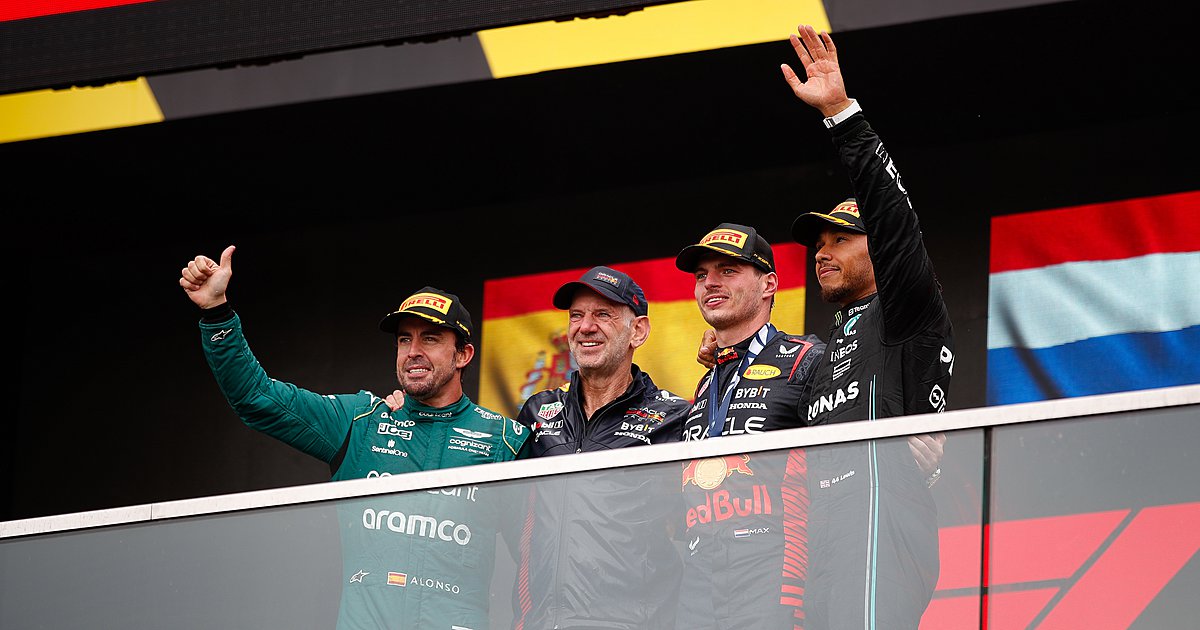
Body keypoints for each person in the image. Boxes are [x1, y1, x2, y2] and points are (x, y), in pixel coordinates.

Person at [179, 245, 531, 630]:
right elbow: (256, 397)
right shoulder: (361, 421)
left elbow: (537, 561)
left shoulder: (504, 441)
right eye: (404, 340)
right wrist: (217, 313)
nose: (412, 352)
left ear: (463, 355)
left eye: (430, 339)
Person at [389, 265, 689, 628]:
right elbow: (486, 491)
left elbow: (701, 529)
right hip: (542, 622)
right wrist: (409, 412)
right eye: (576, 315)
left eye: (602, 315)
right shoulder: (537, 411)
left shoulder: (673, 418)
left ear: (638, 331)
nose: (585, 326)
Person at [783, 24, 954, 629]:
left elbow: (894, 221)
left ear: (877, 250)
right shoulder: (827, 349)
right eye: (818, 243)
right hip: (826, 541)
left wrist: (841, 116)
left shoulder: (904, 310)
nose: (821, 252)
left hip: (883, 526)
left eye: (840, 240)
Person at [673, 223, 826, 629]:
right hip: (698, 578)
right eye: (702, 275)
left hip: (774, 570)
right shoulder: (706, 382)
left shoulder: (806, 359)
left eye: (728, 270)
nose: (710, 283)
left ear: (768, 285)